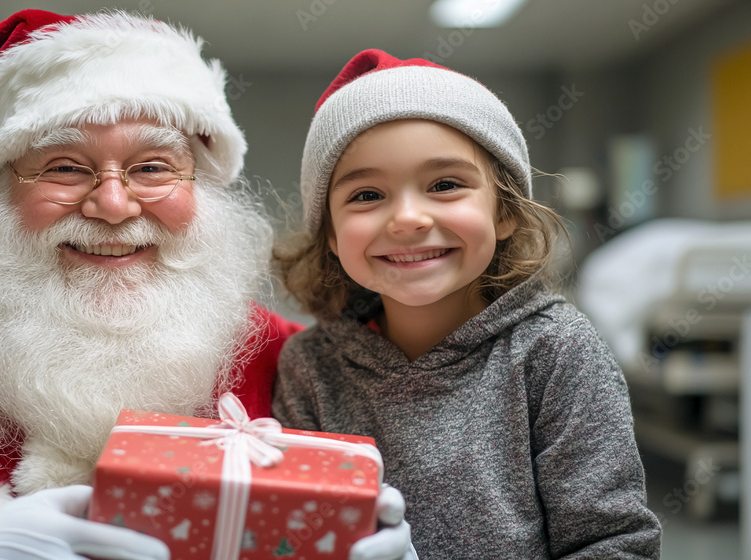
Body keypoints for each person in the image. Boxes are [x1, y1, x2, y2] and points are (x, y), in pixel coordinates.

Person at [0, 12, 412, 560]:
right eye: (64, 167)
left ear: (203, 191)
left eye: (153, 166)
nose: (115, 204)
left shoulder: (302, 368)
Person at [271, 49, 663, 558]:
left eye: (445, 185)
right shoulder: (310, 368)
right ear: (329, 234)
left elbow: (617, 544)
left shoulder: (556, 351)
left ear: (505, 212)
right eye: (367, 195)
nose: (407, 218)